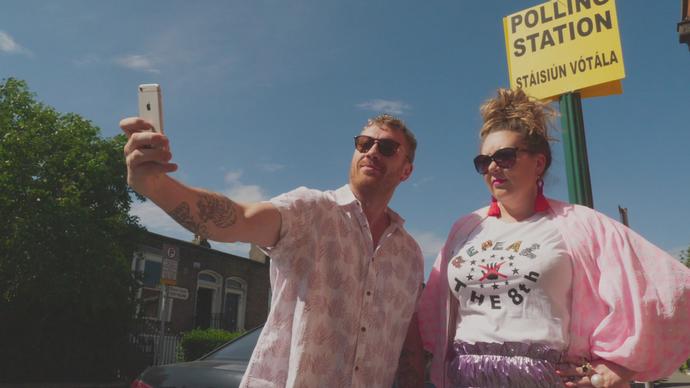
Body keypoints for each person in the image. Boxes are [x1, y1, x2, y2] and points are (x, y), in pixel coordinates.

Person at [121, 114, 425, 387]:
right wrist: (155, 185)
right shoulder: (310, 210)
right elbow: (237, 219)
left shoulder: (409, 255)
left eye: (386, 148)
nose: (371, 151)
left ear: (406, 170)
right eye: (364, 143)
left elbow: (409, 344)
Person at [417, 88, 690, 388]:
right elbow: (431, 312)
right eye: (484, 161)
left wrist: (616, 368)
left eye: (505, 156)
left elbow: (671, 289)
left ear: (539, 163)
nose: (493, 166)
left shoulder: (579, 224)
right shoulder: (465, 228)